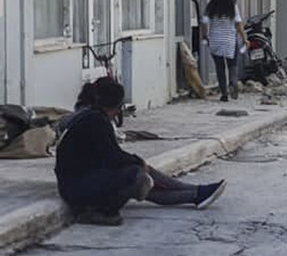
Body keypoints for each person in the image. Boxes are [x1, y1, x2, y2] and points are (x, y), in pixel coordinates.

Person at [56, 78, 227, 226]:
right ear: (116, 106)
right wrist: (138, 163)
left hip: (81, 180)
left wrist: (138, 163)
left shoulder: (91, 116)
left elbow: (109, 156)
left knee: (141, 176)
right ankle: (196, 193)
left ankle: (196, 193)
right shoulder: (95, 121)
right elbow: (114, 156)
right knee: (137, 177)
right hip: (77, 187)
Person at [201, 0, 248, 102]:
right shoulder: (232, 6)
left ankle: (224, 94)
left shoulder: (211, 5)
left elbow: (204, 22)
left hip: (215, 40)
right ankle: (233, 82)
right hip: (230, 40)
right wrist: (244, 38)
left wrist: (205, 36)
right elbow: (238, 24)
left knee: (220, 67)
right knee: (232, 65)